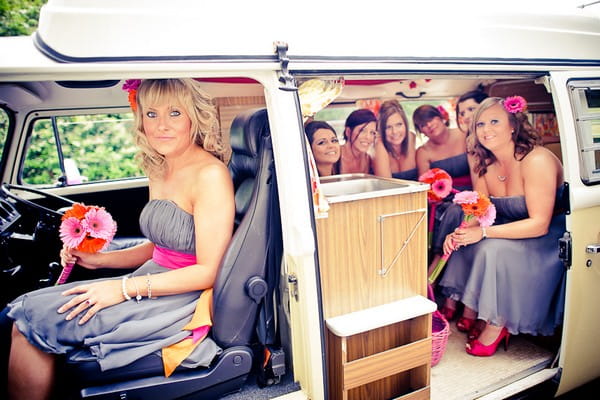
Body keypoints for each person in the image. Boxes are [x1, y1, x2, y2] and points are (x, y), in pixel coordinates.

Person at [4, 78, 235, 399]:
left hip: (184, 297)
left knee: (30, 320)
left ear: (194, 117)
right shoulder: (160, 168)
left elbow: (208, 270)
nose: (161, 126)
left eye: (175, 114)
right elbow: (159, 249)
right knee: (20, 308)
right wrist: (99, 261)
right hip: (152, 278)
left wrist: (123, 288)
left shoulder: (210, 175)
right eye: (151, 114)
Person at [438, 96, 565, 357]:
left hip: (548, 237)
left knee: (490, 249)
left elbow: (540, 224)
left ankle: (498, 324)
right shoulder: (487, 165)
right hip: (512, 228)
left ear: (512, 125)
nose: (486, 130)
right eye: (480, 124)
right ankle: (479, 313)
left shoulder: (536, 160)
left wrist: (482, 232)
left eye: (494, 121)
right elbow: (480, 208)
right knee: (467, 244)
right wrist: (461, 231)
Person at [413, 104, 470, 188]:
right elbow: (425, 186)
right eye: (423, 125)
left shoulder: (464, 135)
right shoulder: (423, 152)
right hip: (442, 198)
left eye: (431, 119)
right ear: (421, 131)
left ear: (441, 117)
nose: (429, 125)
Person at [339, 109, 391, 176]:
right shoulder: (335, 156)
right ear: (348, 132)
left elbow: (386, 182)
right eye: (362, 131)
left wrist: (379, 143)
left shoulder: (369, 159)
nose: (368, 137)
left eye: (372, 132)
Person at [375, 100, 417, 180]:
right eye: (388, 127)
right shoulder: (379, 146)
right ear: (381, 130)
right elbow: (386, 187)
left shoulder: (411, 137)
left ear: (405, 124)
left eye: (399, 125)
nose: (395, 132)